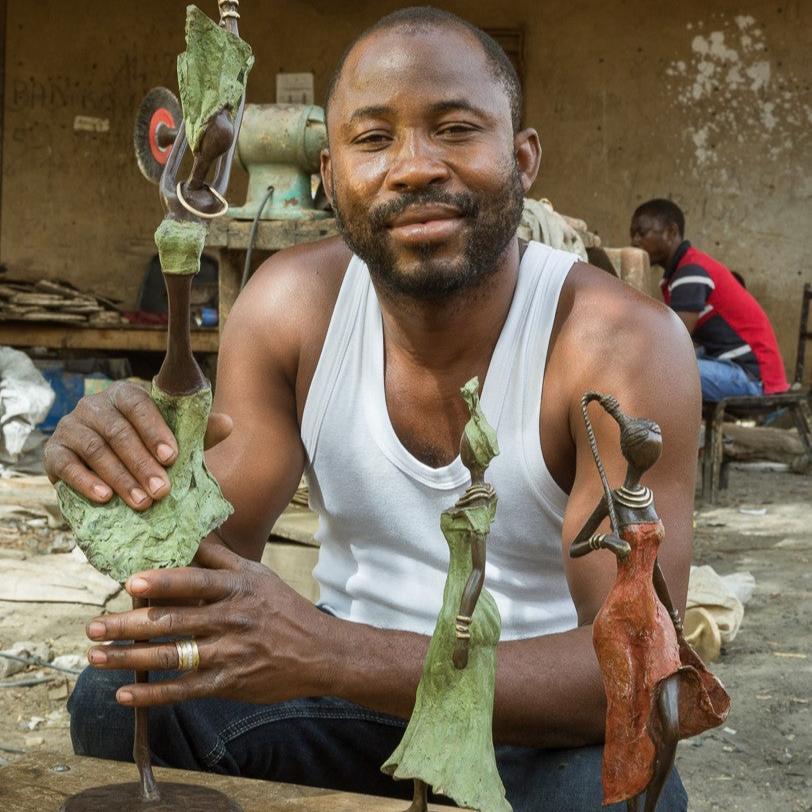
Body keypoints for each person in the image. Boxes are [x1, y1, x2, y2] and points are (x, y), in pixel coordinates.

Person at [44, 8, 699, 811]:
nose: (415, 167)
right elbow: (199, 555)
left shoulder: (618, 344)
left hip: (527, 718)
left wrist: (330, 651)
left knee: (631, 795)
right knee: (120, 694)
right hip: (342, 711)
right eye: (374, 138)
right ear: (329, 170)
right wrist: (114, 468)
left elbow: (634, 670)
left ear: (522, 158)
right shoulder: (292, 307)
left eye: (456, 129)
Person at [630, 198, 788, 402]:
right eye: (632, 234)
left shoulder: (690, 272)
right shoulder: (682, 271)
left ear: (671, 232)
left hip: (752, 377)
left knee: (655, 370)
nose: (634, 241)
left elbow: (674, 341)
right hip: (732, 367)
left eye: (641, 233)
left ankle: (669, 433)